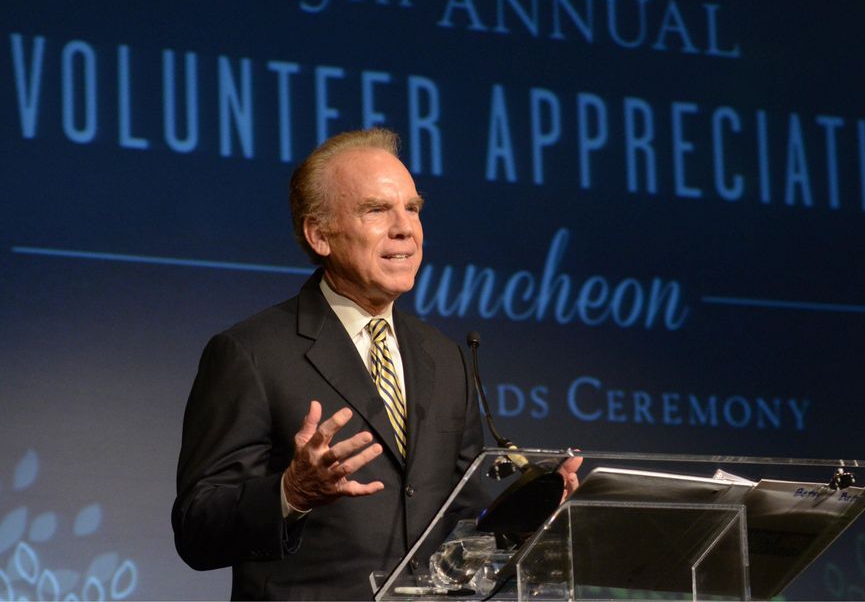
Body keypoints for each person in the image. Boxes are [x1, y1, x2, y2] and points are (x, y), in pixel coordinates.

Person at [172, 128, 580, 600]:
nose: (405, 227)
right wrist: (291, 494)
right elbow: (197, 528)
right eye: (376, 210)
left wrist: (530, 511)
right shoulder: (252, 353)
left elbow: (461, 518)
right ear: (319, 234)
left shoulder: (443, 357)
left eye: (412, 208)